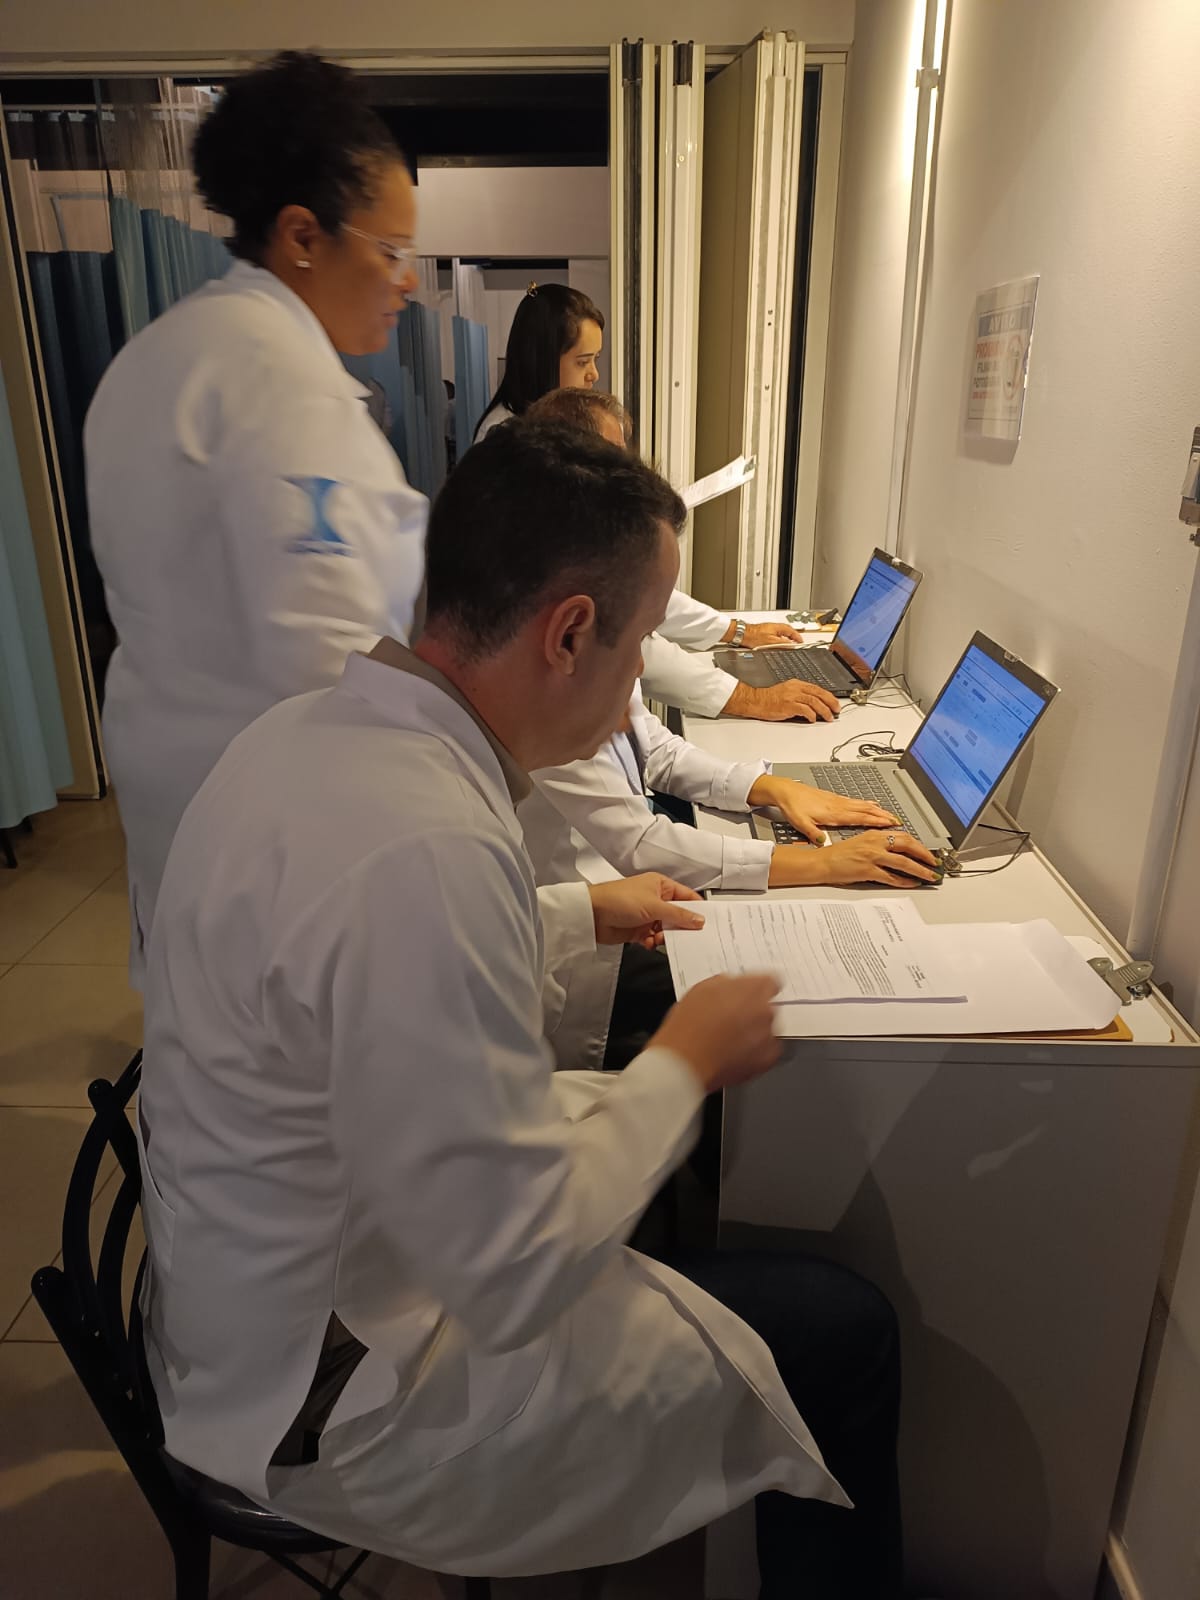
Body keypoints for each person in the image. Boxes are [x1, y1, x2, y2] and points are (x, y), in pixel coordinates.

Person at [137, 420, 902, 1597]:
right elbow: (511, 1269)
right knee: (843, 1332)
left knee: (631, 1152)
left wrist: (574, 912)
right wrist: (682, 1062)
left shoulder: (305, 737)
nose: (640, 682)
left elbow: (335, 962)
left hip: (229, 1291)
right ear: (571, 632)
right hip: (331, 1388)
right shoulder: (429, 841)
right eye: (640, 644)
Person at [85, 51, 428, 980]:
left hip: (176, 781)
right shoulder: (285, 392)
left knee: (208, 1022)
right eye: (391, 252)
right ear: (303, 235)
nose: (406, 282)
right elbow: (329, 671)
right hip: (278, 829)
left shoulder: (161, 355)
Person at [525, 387, 841, 724]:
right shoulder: (562, 561)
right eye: (613, 457)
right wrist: (750, 697)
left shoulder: (584, 537)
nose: (625, 471)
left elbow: (652, 610)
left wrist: (737, 631)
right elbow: (639, 644)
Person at [473, 281, 604, 440]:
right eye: (583, 362)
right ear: (543, 361)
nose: (594, 375)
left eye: (595, 358)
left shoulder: (566, 419)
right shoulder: (503, 435)